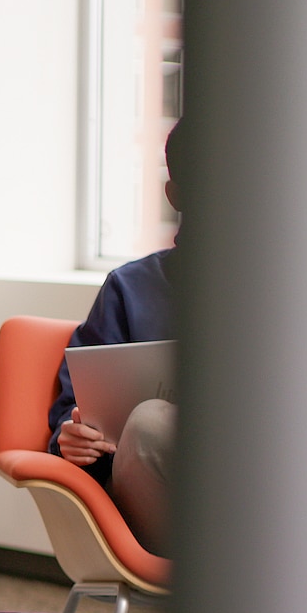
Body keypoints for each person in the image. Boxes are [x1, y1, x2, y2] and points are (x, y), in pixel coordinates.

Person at [48, 120, 186, 557]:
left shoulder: (287, 299)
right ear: (176, 195)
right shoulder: (129, 289)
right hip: (159, 499)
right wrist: (70, 438)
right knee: (150, 422)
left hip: (255, 490)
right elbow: (72, 410)